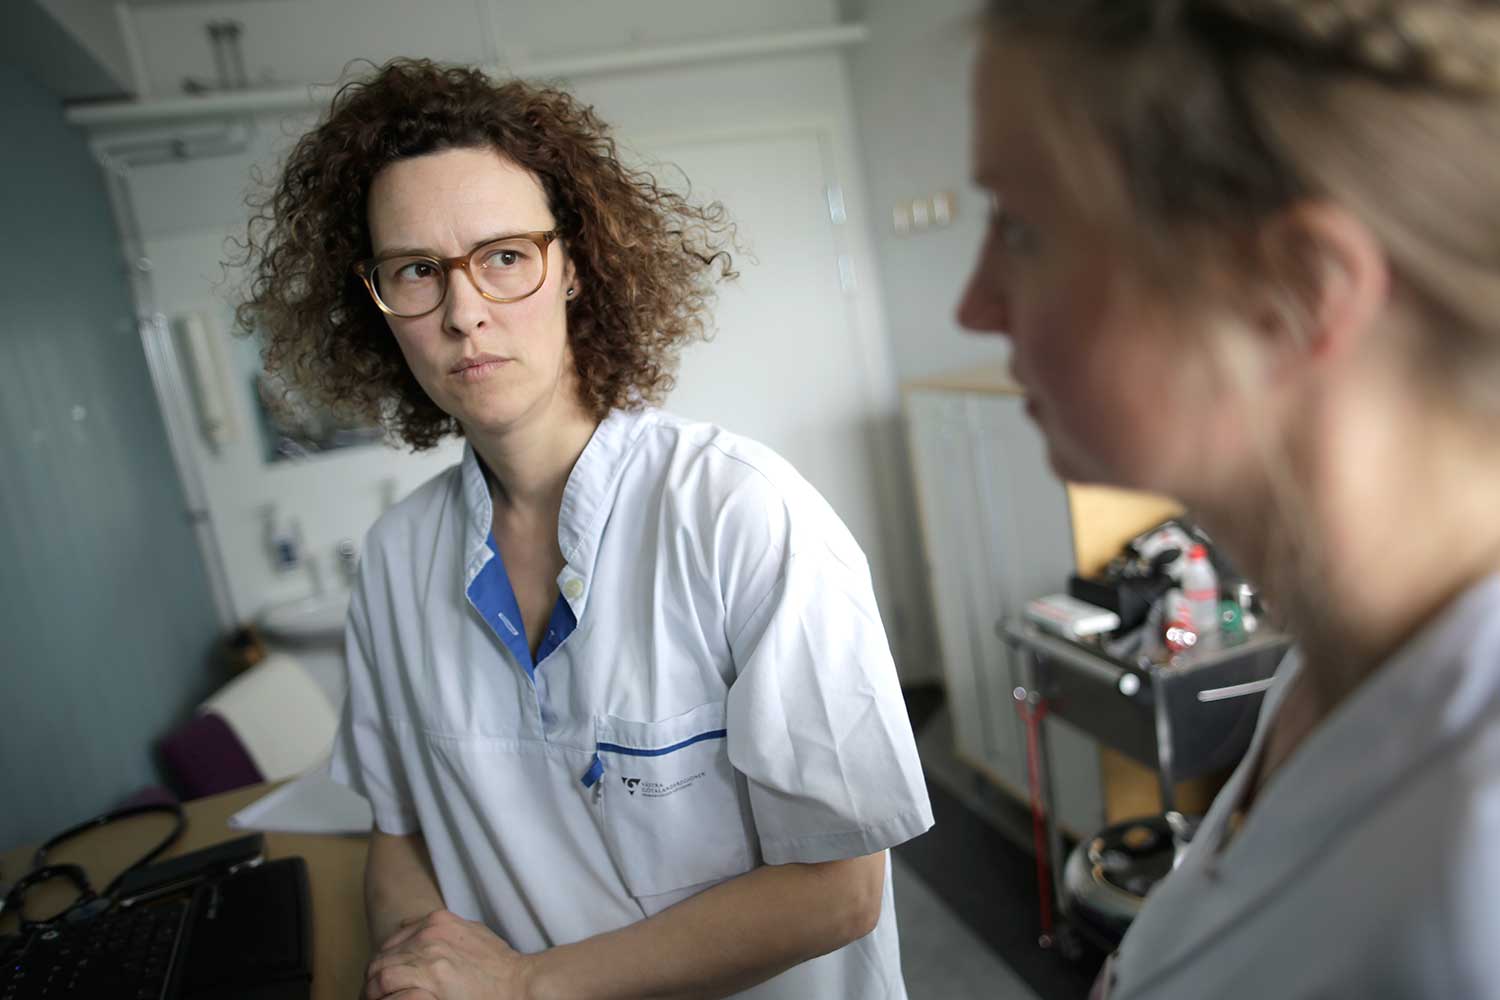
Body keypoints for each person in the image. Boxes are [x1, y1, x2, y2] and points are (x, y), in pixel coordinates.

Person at [236, 58, 933, 1000]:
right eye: (416, 271)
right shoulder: (397, 559)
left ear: (573, 265)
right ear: (377, 303)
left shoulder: (739, 512)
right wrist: (416, 969)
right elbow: (399, 836)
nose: (464, 313)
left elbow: (840, 891)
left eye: (504, 256)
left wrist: (523, 985)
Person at [960, 1, 1500, 996]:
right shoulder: (1341, 665)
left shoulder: (1472, 883)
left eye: (1021, 228)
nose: (974, 304)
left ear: (1294, 290)